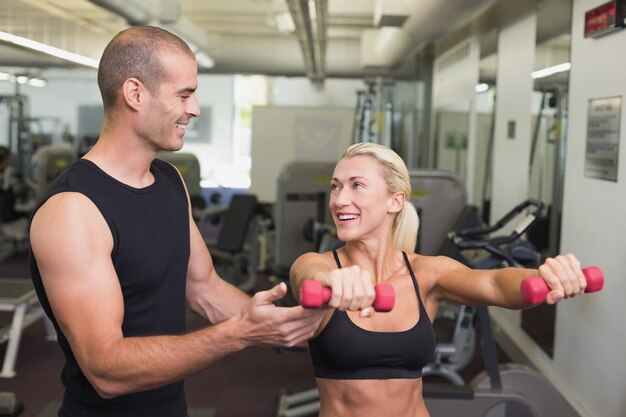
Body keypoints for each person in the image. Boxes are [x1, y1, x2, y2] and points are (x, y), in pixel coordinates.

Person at [28, 26, 323, 417]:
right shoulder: (73, 210)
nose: (195, 108)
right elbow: (105, 369)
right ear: (135, 94)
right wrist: (236, 335)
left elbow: (204, 289)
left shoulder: (169, 180)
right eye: (184, 94)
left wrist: (294, 329)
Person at [289, 141, 588, 417]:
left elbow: (495, 284)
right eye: (335, 187)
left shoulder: (428, 273)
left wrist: (545, 275)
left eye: (357, 186)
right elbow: (308, 276)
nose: (340, 200)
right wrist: (333, 282)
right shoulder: (320, 264)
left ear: (395, 201)